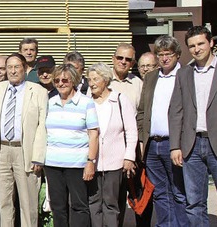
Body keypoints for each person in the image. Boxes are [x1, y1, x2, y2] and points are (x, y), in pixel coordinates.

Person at [169, 25, 217, 226]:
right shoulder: (184, 74)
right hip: (192, 145)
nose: (196, 49)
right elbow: (176, 111)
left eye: (200, 44)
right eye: (192, 46)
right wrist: (175, 145)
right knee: (194, 203)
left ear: (211, 43)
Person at [0, 53, 47, 227]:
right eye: (10, 67)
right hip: (1, 152)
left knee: (27, 203)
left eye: (17, 67)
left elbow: (42, 125)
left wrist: (38, 155)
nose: (13, 71)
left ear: (24, 68)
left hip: (25, 151)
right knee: (4, 202)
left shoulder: (38, 91)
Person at [137, 34, 188, 227]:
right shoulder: (151, 77)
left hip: (174, 145)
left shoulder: (185, 75)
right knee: (159, 193)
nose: (164, 58)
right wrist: (143, 140)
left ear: (176, 55)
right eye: (160, 54)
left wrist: (181, 144)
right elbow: (142, 111)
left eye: (168, 54)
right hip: (152, 145)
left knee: (178, 192)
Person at [44, 64, 99, 227]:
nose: (60, 83)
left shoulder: (86, 103)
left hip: (76, 163)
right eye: (57, 80)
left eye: (65, 80)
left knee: (79, 206)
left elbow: (93, 134)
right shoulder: (50, 102)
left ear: (73, 80)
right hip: (53, 163)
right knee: (58, 206)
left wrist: (91, 161)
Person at [86, 63, 137, 227]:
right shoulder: (86, 102)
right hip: (92, 162)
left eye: (95, 79)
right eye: (89, 79)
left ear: (106, 79)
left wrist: (129, 157)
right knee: (93, 202)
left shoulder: (120, 100)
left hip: (115, 162)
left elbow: (131, 130)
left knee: (111, 203)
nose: (91, 83)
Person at [110, 43, 143, 108]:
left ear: (132, 63)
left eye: (128, 59)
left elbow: (142, 111)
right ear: (113, 59)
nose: (123, 62)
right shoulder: (101, 79)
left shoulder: (138, 84)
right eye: (120, 58)